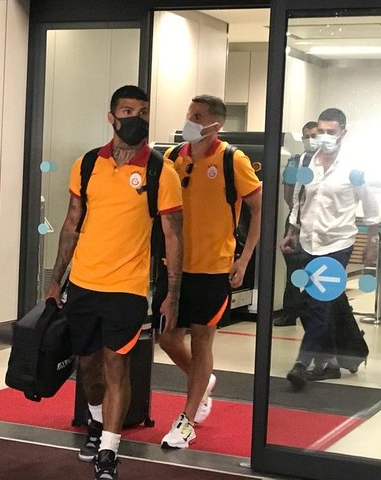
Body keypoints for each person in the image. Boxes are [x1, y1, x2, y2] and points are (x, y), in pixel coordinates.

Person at [45, 85, 183, 480]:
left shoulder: (161, 171)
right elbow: (71, 224)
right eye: (127, 111)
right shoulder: (87, 164)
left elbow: (174, 235)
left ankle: (109, 450)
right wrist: (55, 279)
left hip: (128, 287)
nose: (136, 118)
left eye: (143, 111)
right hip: (83, 284)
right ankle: (95, 422)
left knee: (116, 365)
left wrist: (172, 294)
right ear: (111, 117)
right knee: (88, 367)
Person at [159, 95, 262, 448]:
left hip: (213, 268)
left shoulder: (233, 159)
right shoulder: (174, 157)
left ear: (215, 124)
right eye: (189, 114)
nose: (190, 120)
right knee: (168, 338)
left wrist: (244, 259)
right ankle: (204, 381)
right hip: (175, 267)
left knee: (202, 339)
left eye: (198, 116)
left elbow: (259, 208)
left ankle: (186, 421)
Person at [281, 108, 379, 389]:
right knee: (320, 304)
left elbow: (371, 208)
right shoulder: (307, 162)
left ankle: (303, 363)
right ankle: (347, 353)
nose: (324, 137)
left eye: (331, 132)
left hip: (338, 244)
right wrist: (291, 231)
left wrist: (372, 243)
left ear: (343, 133)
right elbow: (299, 201)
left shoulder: (354, 167)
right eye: (321, 131)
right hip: (309, 242)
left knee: (319, 303)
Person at [275, 121, 319, 327]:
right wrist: (298, 216)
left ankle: (312, 311)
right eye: (307, 136)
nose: (310, 140)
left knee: (316, 269)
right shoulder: (295, 163)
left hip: (319, 223)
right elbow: (288, 194)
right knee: (293, 268)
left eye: (314, 135)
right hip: (297, 221)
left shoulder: (326, 163)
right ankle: (290, 312)